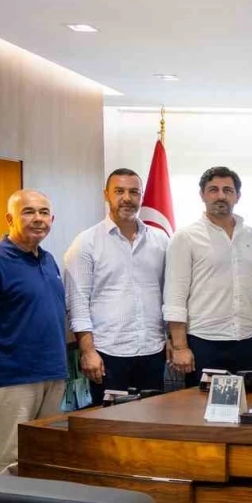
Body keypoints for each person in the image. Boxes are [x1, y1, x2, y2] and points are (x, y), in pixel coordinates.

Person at [0, 190, 67, 473]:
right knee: (9, 461)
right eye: (28, 212)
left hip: (53, 376)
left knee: (48, 458)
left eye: (44, 213)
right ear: (10, 219)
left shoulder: (48, 260)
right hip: (14, 379)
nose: (38, 219)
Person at [64, 168, 170, 406]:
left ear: (141, 196)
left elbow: (168, 294)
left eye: (134, 192)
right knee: (109, 423)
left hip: (153, 350)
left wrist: (171, 337)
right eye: (119, 191)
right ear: (106, 195)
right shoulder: (86, 242)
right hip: (107, 354)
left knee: (152, 419)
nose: (127, 198)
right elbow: (77, 303)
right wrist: (88, 351)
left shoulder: (160, 240)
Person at [164, 167, 252, 385]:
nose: (221, 195)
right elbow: (174, 296)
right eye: (213, 190)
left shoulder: (251, 236)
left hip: (246, 339)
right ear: (202, 195)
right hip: (204, 342)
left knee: (248, 402)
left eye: (228, 190)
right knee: (202, 404)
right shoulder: (186, 237)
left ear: (237, 196)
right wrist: (180, 346)